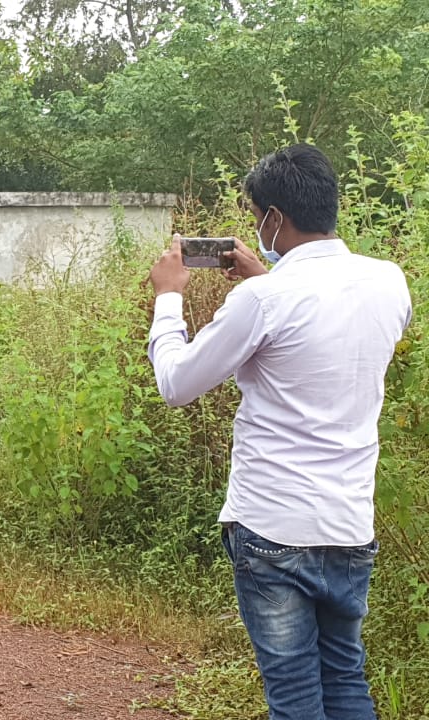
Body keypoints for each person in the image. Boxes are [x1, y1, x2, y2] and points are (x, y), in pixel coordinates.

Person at [148, 144, 410, 720]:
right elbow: (318, 329)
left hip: (273, 528)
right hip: (348, 525)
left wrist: (168, 298)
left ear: (272, 219)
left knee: (293, 696)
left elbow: (176, 382)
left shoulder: (262, 299)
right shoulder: (390, 282)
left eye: (256, 215)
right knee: (344, 679)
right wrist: (268, 277)